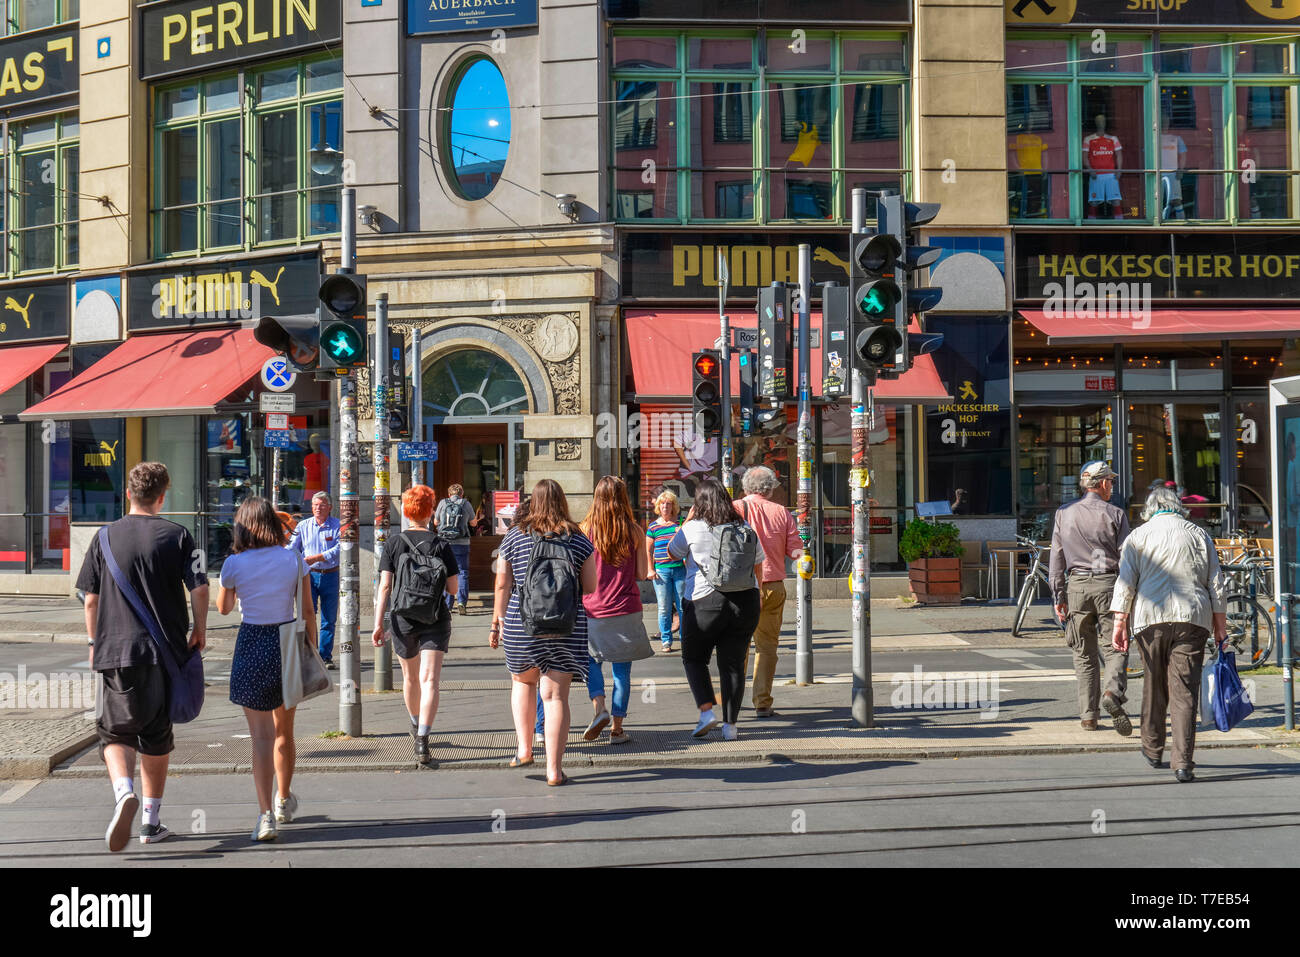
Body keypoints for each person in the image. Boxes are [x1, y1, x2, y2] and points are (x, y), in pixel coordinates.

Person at [77, 462, 209, 851]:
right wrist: (198, 629)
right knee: (157, 734)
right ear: (163, 495)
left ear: (128, 494)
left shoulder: (103, 538)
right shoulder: (180, 535)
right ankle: (150, 822)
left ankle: (123, 793)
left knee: (114, 733)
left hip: (116, 651)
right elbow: (200, 588)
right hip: (164, 653)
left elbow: (91, 600)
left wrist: (92, 643)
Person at [1111, 486, 1228, 782]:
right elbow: (1216, 584)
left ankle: (1152, 748)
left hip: (1150, 618)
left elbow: (1125, 583)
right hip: (1193, 618)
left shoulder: (1138, 536)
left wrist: (1119, 623)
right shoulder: (1199, 534)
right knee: (1185, 691)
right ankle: (1183, 762)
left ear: (1150, 509)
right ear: (1178, 507)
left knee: (1154, 684)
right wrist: (1221, 627)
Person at [216, 496, 316, 842]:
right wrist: (312, 651)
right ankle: (284, 801)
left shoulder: (234, 564)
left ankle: (263, 817)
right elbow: (307, 611)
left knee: (260, 737)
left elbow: (225, 609)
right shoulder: (293, 560)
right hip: (286, 641)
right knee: (284, 731)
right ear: (274, 524)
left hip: (252, 642)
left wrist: (228, 586)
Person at [489, 479, 596, 785]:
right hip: (566, 626)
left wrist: (496, 621)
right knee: (555, 697)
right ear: (562, 501)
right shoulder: (578, 539)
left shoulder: (515, 536)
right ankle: (553, 770)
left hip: (522, 624)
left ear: (532, 502)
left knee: (523, 683)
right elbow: (590, 587)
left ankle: (524, 749)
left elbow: (502, 584)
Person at [667, 478, 765, 741]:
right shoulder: (744, 526)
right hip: (745, 602)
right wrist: (759, 594)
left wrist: (687, 521)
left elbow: (671, 553)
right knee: (733, 665)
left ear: (699, 503)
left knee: (694, 658)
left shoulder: (693, 528)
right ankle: (730, 727)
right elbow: (758, 564)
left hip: (703, 602)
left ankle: (706, 711)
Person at [372, 485, 460, 766]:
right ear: (431, 510)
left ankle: (413, 723)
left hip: (403, 618)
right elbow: (454, 589)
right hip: (435, 617)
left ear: (407, 511)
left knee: (410, 679)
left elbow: (385, 586)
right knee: (431, 680)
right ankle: (423, 739)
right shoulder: (441, 544)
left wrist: (378, 624)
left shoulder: (394, 543)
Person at [1050, 460, 1132, 735]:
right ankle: (1112, 692)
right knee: (1115, 647)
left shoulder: (1064, 513)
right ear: (1104, 483)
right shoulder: (1116, 514)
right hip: (1110, 583)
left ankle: (1088, 716)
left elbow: (1057, 556)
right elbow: (1127, 558)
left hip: (1077, 587)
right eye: (1111, 481)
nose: (1112, 486)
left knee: (1083, 654)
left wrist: (1058, 594)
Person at [579, 476, 648, 745]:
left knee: (591, 662)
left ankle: (599, 709)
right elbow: (642, 572)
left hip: (592, 609)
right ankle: (617, 729)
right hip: (626, 608)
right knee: (622, 672)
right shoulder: (635, 531)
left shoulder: (584, 529)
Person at [734, 466, 804, 718]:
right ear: (771, 488)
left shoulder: (734, 508)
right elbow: (796, 551)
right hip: (772, 585)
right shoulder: (782, 512)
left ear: (745, 487)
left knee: (737, 645)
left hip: (739, 586)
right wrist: (804, 561)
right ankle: (762, 701)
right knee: (767, 647)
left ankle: (733, 697)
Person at [288, 491, 340, 669]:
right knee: (306, 615)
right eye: (315, 505)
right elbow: (292, 548)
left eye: (322, 505)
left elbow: (340, 549)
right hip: (308, 575)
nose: (318, 508)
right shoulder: (303, 526)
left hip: (331, 575)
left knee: (329, 618)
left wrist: (318, 557)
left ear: (330, 507)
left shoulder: (338, 526)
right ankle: (309, 653)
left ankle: (325, 656)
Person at [645, 489, 685, 652]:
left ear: (674, 506)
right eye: (662, 503)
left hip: (680, 569)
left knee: (683, 606)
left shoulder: (681, 524)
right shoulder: (653, 527)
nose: (665, 506)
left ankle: (685, 638)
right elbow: (648, 550)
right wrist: (650, 569)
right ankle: (666, 640)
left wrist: (681, 532)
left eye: (669, 504)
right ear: (658, 507)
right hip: (661, 571)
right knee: (663, 607)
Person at [435, 484, 475, 615]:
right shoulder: (466, 504)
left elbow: (436, 522)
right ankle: (462, 602)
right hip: (462, 543)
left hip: (444, 543)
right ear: (461, 494)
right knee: (462, 572)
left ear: (449, 494)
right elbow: (473, 523)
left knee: (446, 572)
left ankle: (447, 604)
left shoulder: (442, 503)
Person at [1083, 114, 1124, 220]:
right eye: (1099, 121)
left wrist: (1119, 170)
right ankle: (1091, 226)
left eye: (1103, 121)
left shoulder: (1113, 139)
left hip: (1111, 175)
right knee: (1094, 201)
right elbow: (1084, 157)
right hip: (1096, 175)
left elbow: (1119, 154)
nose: (1101, 123)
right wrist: (1090, 170)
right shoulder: (1088, 139)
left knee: (1115, 200)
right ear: (1095, 123)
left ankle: (1121, 226)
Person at [302, 433, 328, 505]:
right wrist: (302, 493)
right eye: (312, 443)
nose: (314, 445)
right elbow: (305, 476)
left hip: (321, 490)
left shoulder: (325, 457)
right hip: (309, 491)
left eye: (316, 443)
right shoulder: (307, 458)